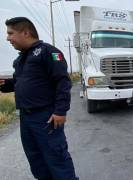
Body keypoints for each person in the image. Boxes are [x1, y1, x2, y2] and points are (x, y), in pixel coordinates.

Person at [0, 17, 78, 180]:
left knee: (56, 158)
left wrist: (60, 111)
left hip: (46, 117)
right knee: (36, 160)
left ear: (26, 32)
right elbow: (20, 82)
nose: (7, 38)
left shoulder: (48, 52)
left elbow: (62, 82)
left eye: (10, 33)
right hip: (26, 118)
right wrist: (4, 84)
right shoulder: (20, 59)